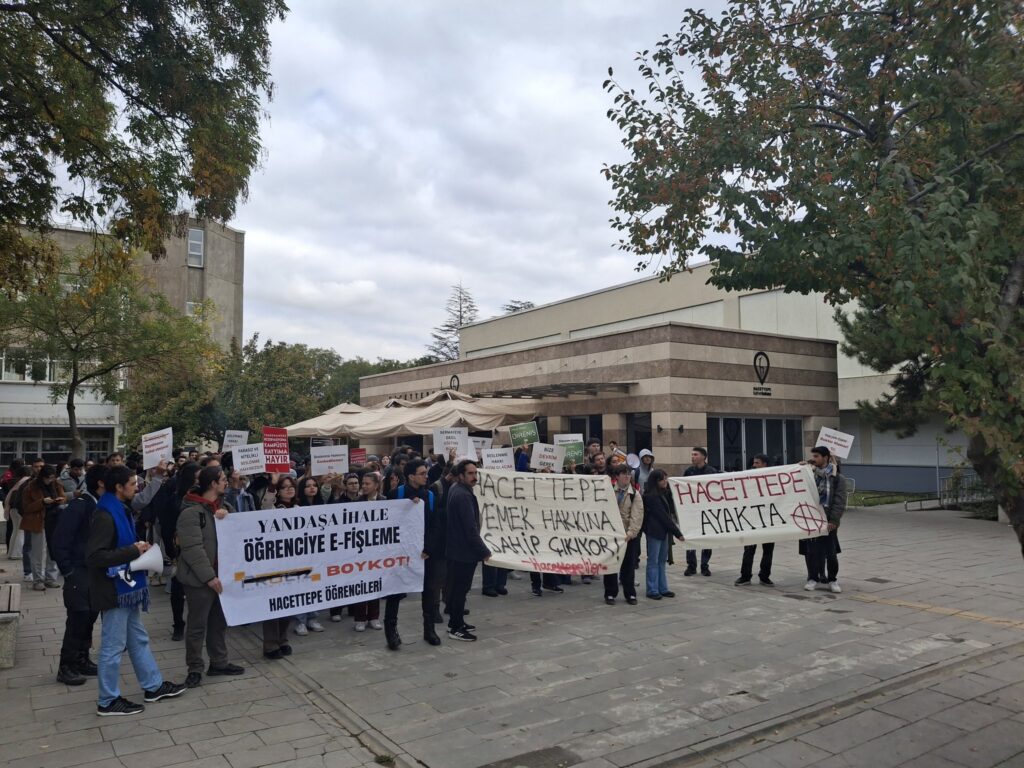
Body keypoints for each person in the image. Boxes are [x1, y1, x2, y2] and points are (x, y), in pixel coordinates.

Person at [86, 465, 185, 715]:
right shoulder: (105, 514)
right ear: (119, 488)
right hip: (115, 589)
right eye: (132, 484)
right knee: (112, 645)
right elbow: (95, 556)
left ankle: (153, 686)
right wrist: (134, 550)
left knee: (137, 639)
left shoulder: (117, 508)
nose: (136, 487)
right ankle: (107, 700)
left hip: (125, 586)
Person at [177, 466, 244, 687]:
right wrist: (208, 577)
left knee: (219, 622)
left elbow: (240, 529)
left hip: (222, 575)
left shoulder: (223, 507)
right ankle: (195, 667)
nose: (227, 482)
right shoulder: (190, 512)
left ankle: (219, 661)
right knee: (197, 625)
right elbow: (192, 548)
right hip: (200, 580)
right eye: (223, 479)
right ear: (213, 484)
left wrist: (227, 517)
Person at [51, 465, 105, 685]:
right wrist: (68, 570)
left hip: (92, 571)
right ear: (101, 483)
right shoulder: (80, 505)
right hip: (78, 571)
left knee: (89, 615)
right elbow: (60, 539)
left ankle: (82, 658)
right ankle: (66, 666)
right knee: (78, 617)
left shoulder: (97, 505)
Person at [389, 459, 444, 648]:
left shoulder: (429, 496)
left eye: (426, 473)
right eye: (422, 473)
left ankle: (429, 630)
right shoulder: (396, 494)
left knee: (429, 591)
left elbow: (436, 525)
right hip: (401, 554)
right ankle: (392, 632)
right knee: (395, 593)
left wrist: (429, 548)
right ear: (411, 476)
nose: (426, 476)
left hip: (424, 554)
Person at [444, 460, 490, 641]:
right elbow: (470, 529)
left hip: (459, 550)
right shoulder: (462, 495)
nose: (474, 477)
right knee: (459, 590)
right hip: (462, 552)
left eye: (475, 473)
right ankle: (456, 627)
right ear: (461, 475)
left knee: (459, 590)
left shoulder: (458, 489)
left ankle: (457, 621)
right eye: (470, 473)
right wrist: (484, 551)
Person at [339, 472, 385, 631]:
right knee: (360, 583)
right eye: (362, 483)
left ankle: (374, 617)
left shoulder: (385, 501)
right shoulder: (357, 502)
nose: (363, 486)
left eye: (367, 484)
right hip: (360, 550)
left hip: (377, 549)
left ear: (376, 485)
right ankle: (360, 618)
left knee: (375, 584)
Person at [802, 447, 848, 593]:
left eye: (817, 456)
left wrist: (834, 520)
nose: (814, 459)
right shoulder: (809, 473)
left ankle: (832, 580)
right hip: (811, 518)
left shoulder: (837, 478)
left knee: (831, 552)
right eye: (813, 456)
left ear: (826, 457)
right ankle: (812, 578)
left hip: (828, 520)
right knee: (812, 552)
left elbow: (839, 501)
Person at [20, 464, 65, 590]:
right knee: (38, 553)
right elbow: (27, 508)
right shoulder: (31, 487)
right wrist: (42, 502)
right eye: (48, 478)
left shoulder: (56, 484)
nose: (50, 480)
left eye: (52, 477)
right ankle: (38, 580)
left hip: (55, 520)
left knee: (53, 550)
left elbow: (64, 497)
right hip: (38, 521)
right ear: (42, 477)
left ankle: (50, 578)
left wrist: (60, 500)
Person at [642, 469, 685, 599]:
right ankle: (652, 589)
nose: (665, 481)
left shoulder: (663, 494)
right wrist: (678, 533)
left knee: (661, 561)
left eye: (666, 478)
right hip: (655, 531)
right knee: (653, 561)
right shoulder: (651, 496)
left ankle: (663, 587)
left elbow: (670, 511)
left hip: (663, 532)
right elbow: (664, 517)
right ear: (656, 481)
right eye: (662, 479)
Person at [605, 465, 644, 605]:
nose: (627, 476)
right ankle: (610, 593)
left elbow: (637, 515)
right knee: (610, 565)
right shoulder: (608, 491)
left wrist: (631, 533)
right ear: (617, 476)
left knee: (628, 566)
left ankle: (630, 594)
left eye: (629, 474)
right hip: (611, 534)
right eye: (624, 474)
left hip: (628, 536)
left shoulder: (635, 494)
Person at [736, 454, 776, 586]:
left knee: (768, 551)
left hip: (768, 520)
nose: (754, 465)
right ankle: (745, 576)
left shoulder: (773, 478)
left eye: (757, 463)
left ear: (765, 464)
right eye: (754, 463)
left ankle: (764, 576)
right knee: (749, 550)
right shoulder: (748, 478)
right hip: (752, 519)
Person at [683, 448, 717, 576]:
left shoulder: (711, 472)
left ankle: (704, 565)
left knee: (707, 538)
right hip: (692, 511)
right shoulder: (689, 471)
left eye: (695, 454)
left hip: (707, 510)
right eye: (692, 454)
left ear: (704, 457)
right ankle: (691, 565)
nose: (693, 457)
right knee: (691, 537)